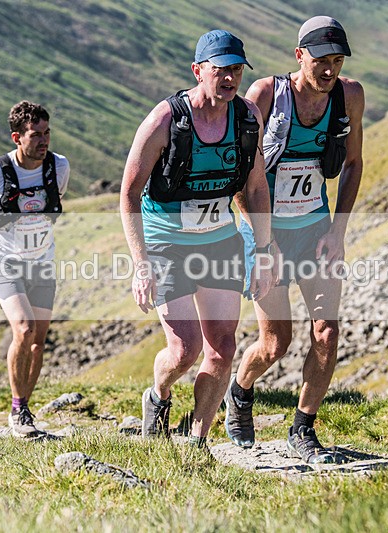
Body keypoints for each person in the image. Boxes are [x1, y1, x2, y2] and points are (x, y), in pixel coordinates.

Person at [120, 30, 273, 448]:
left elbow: (256, 188)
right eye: (220, 69)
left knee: (222, 349)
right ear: (197, 70)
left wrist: (263, 250)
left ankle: (196, 440)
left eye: (236, 70)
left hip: (219, 239)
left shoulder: (246, 117)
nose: (229, 78)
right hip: (166, 242)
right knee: (185, 350)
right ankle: (159, 395)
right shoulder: (165, 120)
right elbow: (129, 194)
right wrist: (141, 263)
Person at [225, 16, 365, 463]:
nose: (330, 71)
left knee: (326, 332)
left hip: (315, 228)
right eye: (321, 60)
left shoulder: (349, 95)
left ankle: (303, 429)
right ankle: (240, 389)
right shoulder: (265, 95)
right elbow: (238, 176)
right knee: (276, 343)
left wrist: (338, 231)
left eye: (337, 61)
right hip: (265, 233)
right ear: (298, 55)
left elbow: (354, 164)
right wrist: (265, 243)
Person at [0, 101, 70, 438]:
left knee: (38, 343)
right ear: (17, 137)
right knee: (24, 329)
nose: (44, 141)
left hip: (41, 261)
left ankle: (24, 407)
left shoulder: (59, 167)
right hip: (5, 261)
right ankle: (16, 409)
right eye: (35, 135)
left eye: (47, 133)